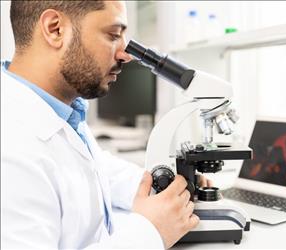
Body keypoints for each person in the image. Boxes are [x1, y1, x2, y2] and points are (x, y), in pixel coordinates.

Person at [1, 1, 209, 249]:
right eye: (113, 35)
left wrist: (162, 185)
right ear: (55, 29)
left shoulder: (59, 110)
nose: (125, 54)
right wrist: (149, 230)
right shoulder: (10, 147)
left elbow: (92, 170)